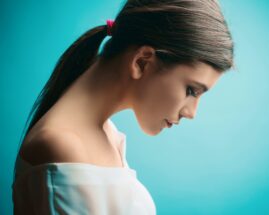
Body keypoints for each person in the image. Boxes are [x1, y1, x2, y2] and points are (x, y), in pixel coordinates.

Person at [11, 0, 234, 214]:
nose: (191, 113)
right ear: (142, 62)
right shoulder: (63, 146)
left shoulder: (106, 133)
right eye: (191, 91)